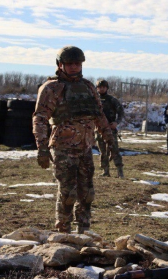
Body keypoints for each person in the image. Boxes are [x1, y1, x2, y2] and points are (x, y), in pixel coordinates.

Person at [32, 45, 119, 234]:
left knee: (87, 193)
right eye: (69, 64)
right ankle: (63, 232)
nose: (74, 67)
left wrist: (110, 140)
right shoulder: (52, 88)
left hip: (86, 148)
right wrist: (42, 147)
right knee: (67, 193)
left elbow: (99, 115)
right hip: (63, 148)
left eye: (77, 64)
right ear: (60, 64)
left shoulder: (88, 87)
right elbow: (40, 118)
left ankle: (84, 231)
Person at [95, 79, 124, 178]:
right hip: (98, 129)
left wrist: (116, 122)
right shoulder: (94, 100)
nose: (101, 89)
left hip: (110, 129)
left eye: (103, 87)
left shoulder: (112, 100)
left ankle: (120, 171)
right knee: (103, 151)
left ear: (106, 88)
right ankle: (105, 171)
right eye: (99, 87)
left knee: (114, 150)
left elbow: (121, 112)